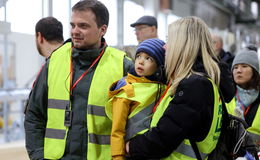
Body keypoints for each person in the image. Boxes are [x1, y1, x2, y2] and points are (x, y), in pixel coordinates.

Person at [24, 0, 133, 160]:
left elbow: (136, 121)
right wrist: (38, 156)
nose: (75, 31)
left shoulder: (122, 66)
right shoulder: (55, 61)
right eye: (72, 25)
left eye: (83, 26)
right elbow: (34, 114)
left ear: (102, 29)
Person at [125, 16, 235, 159]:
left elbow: (163, 138)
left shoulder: (195, 85)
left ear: (183, 45)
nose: (165, 46)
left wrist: (131, 146)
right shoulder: (203, 80)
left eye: (170, 40)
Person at [106, 38, 166, 160]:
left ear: (160, 65)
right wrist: (118, 156)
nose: (141, 62)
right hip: (131, 152)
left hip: (153, 150)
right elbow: (118, 130)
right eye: (139, 56)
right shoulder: (127, 90)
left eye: (149, 58)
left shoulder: (164, 88)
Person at [226, 49, 260, 151]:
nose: (238, 70)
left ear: (255, 71)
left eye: (244, 66)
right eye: (235, 67)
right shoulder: (226, 95)